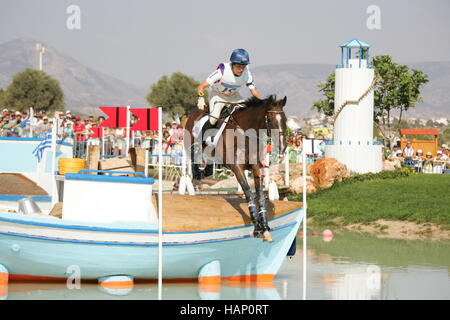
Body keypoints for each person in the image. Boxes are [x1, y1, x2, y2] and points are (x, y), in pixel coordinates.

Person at [196, 48, 262, 139]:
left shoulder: (247, 73)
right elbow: (201, 86)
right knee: (214, 118)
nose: (241, 69)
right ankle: (198, 142)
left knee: (247, 113)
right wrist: (200, 98)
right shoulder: (222, 71)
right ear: (232, 64)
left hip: (234, 96)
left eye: (243, 66)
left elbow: (253, 91)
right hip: (218, 95)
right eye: (239, 66)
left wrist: (263, 103)